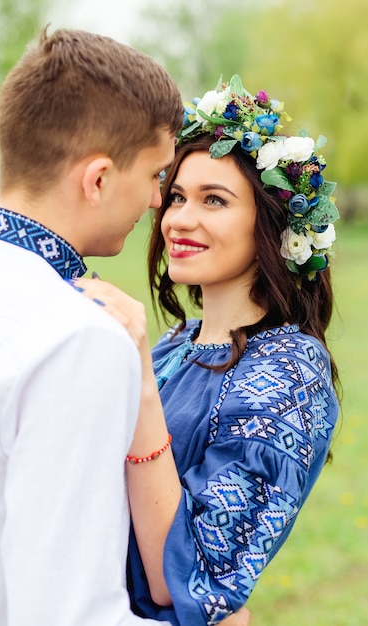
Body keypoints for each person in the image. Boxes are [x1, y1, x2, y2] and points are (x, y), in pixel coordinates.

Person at [74, 74, 341, 625]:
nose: (178, 219)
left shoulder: (293, 372)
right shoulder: (177, 343)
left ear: (270, 225)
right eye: (175, 197)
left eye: (213, 200)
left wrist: (141, 387)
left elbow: (191, 579)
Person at [0, 26, 185, 626]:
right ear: (99, 178)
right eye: (157, 175)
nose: (159, 202)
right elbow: (68, 614)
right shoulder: (78, 338)